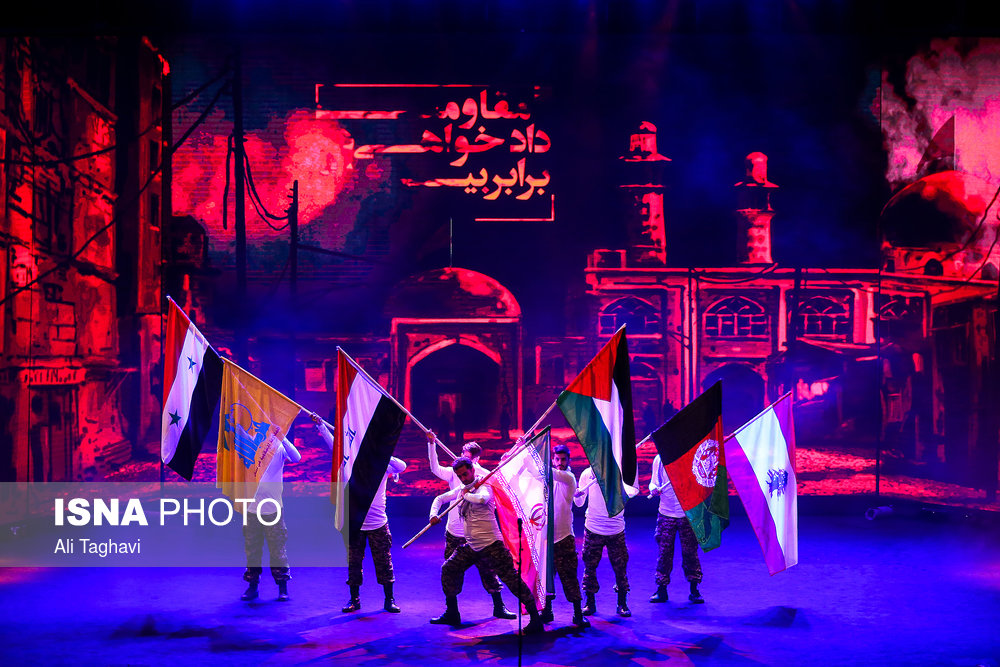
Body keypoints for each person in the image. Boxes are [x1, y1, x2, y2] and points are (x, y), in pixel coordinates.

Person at [429, 457, 545, 635]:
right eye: (460, 476)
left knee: (511, 580)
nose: (463, 478)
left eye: (465, 474)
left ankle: (535, 619)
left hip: (492, 546)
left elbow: (482, 499)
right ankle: (452, 612)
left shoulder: (484, 486)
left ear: (472, 470)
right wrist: (433, 515)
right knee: (448, 569)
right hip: (472, 546)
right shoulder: (463, 489)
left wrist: (465, 494)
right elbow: (439, 499)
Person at [312, 413, 406, 614]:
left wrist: (380, 452)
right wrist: (321, 426)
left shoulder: (383, 466)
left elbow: (402, 466)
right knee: (353, 562)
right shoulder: (352, 462)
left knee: (384, 562)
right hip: (355, 522)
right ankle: (354, 599)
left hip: (378, 523)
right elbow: (335, 447)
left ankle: (389, 599)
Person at [426, 430, 516, 619]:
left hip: (477, 537)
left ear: (476, 460)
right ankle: (452, 611)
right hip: (454, 533)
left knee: (488, 570)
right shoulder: (455, 472)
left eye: (467, 457)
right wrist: (432, 444)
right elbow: (435, 469)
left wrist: (510, 458)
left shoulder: (484, 477)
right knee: (451, 571)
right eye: (462, 455)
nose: (462, 460)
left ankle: (499, 607)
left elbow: (489, 499)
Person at [240, 435, 300, 602]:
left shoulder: (278, 447)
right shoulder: (250, 446)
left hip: (273, 509)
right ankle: (252, 586)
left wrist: (283, 438)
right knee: (252, 550)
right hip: (252, 508)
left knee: (277, 550)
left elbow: (296, 457)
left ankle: (282, 586)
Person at [574, 466, 639, 617]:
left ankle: (622, 603)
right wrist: (577, 495)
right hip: (593, 528)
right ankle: (590, 603)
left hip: (615, 529)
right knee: (589, 567)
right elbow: (579, 503)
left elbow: (632, 492)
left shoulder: (619, 472)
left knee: (620, 568)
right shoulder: (587, 473)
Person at [648, 453, 704, 603]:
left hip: (687, 514)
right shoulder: (659, 459)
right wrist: (654, 489)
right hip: (666, 513)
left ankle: (694, 589)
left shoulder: (689, 458)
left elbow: (699, 482)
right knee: (664, 552)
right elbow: (653, 482)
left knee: (690, 552)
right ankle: (661, 589)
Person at [545, 444, 590, 628]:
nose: (560, 462)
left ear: (568, 460)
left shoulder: (569, 477)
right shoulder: (548, 478)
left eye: (563, 459)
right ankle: (547, 611)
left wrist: (528, 452)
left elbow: (547, 471)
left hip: (564, 537)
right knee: (547, 578)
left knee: (569, 576)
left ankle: (578, 614)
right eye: (557, 459)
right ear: (553, 459)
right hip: (547, 538)